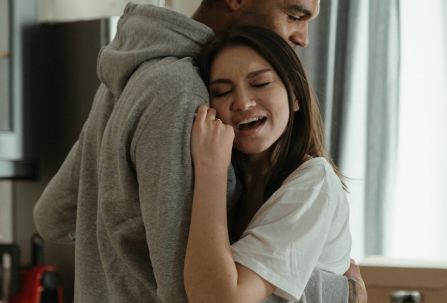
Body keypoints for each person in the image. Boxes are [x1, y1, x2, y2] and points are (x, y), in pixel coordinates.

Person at [33, 1, 366, 302]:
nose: (304, 38)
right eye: (293, 15)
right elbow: (196, 294)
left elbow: (52, 216)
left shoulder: (128, 80)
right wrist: (336, 292)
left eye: (260, 82)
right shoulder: (182, 94)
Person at [185, 26, 352, 303]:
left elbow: (217, 299)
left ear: (295, 95)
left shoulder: (314, 182)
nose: (242, 102)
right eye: (223, 91)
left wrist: (210, 169)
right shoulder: (239, 184)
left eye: (260, 83)